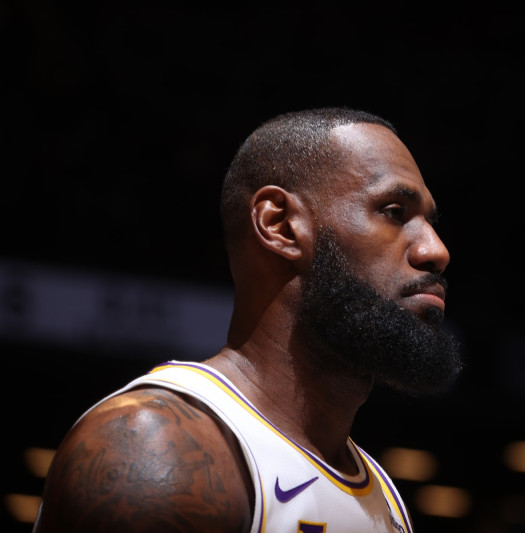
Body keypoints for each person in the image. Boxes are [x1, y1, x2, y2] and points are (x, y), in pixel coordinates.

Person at [32, 107, 463, 532]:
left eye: (430, 221)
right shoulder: (158, 451)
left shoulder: (385, 499)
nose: (436, 250)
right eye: (394, 211)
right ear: (280, 225)